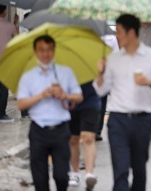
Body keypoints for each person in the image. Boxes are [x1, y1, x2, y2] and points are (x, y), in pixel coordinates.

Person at [94, 14, 151, 191]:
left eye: (119, 32)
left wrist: (150, 83)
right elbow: (100, 91)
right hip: (117, 121)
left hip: (142, 119)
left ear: (132, 32)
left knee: (139, 168)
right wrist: (99, 73)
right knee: (120, 168)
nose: (116, 36)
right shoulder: (113, 59)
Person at [17, 35, 83, 191]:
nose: (45, 54)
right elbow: (21, 104)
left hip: (60, 130)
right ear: (35, 52)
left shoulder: (65, 73)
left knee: (61, 175)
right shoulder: (28, 77)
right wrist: (41, 95)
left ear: (54, 51)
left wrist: (64, 95)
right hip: (38, 130)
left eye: (49, 50)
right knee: (40, 179)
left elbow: (79, 96)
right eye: (41, 50)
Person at [68, 82, 100, 189]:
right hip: (70, 103)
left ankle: (89, 174)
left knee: (88, 137)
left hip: (90, 102)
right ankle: (75, 172)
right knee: (73, 139)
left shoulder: (90, 66)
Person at [96, 34, 120, 141]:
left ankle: (97, 130)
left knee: (104, 101)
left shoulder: (110, 39)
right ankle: (95, 130)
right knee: (98, 102)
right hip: (93, 74)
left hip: (108, 74)